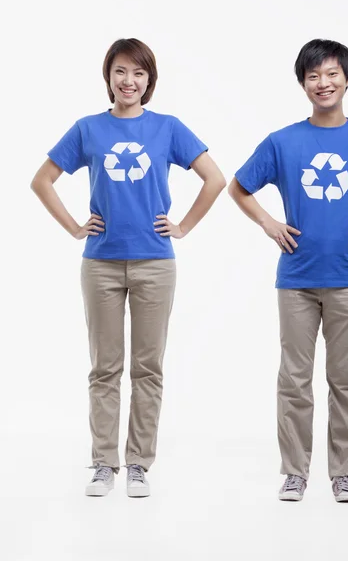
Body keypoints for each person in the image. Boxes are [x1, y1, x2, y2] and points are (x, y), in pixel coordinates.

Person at [228, 39, 348, 503]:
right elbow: (239, 187)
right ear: (303, 83)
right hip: (295, 278)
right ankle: (295, 471)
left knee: (345, 379)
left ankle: (344, 474)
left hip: (347, 277)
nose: (324, 83)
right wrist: (268, 222)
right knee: (294, 380)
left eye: (332, 74)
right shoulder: (282, 141)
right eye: (314, 76)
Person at [31, 38, 226, 497]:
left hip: (155, 262)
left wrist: (184, 226)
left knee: (147, 368)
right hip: (100, 262)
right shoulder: (88, 129)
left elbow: (215, 178)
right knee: (104, 368)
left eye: (138, 73)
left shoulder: (168, 128)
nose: (129, 81)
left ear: (150, 80)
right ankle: (104, 463)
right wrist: (75, 227)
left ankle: (139, 463)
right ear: (108, 77)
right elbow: (41, 180)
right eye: (120, 71)